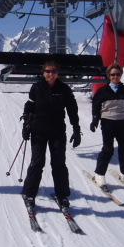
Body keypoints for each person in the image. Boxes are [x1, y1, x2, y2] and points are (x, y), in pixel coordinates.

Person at [21, 60, 81, 213]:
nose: (50, 74)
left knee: (59, 163)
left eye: (53, 71)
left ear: (57, 73)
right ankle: (29, 194)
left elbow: (72, 110)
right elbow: (30, 106)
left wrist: (76, 129)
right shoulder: (37, 87)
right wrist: (26, 124)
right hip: (38, 130)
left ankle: (62, 196)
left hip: (57, 131)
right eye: (48, 71)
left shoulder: (64, 89)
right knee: (37, 162)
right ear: (43, 73)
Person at [90, 63, 124, 188]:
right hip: (108, 122)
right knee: (108, 149)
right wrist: (95, 120)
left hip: (122, 122)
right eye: (113, 74)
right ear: (109, 76)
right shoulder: (103, 91)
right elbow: (96, 106)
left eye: (118, 74)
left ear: (121, 75)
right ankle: (99, 174)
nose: (115, 77)